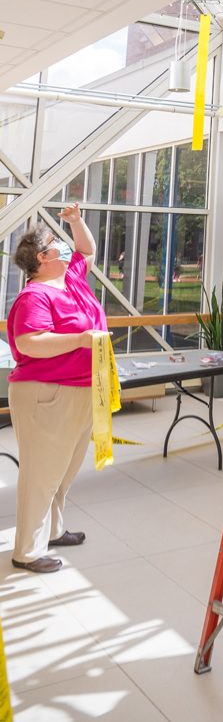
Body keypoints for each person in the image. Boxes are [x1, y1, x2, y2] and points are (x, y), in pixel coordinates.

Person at [6, 204, 106, 573]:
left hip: (78, 390)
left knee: (63, 470)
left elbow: (88, 251)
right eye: (56, 244)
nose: (65, 247)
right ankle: (27, 552)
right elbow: (30, 341)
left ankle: (53, 530)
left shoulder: (71, 280)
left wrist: (76, 221)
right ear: (42, 257)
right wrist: (80, 339)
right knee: (42, 472)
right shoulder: (36, 296)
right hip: (46, 393)